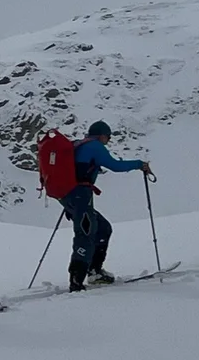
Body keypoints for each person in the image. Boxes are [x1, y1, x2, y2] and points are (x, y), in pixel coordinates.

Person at [65, 121, 151, 293]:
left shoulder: (80, 145)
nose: (109, 139)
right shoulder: (95, 146)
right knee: (86, 234)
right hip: (80, 196)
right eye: (108, 136)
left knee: (102, 229)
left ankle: (94, 271)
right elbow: (114, 166)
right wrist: (139, 164)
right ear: (102, 135)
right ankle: (78, 280)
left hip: (70, 196)